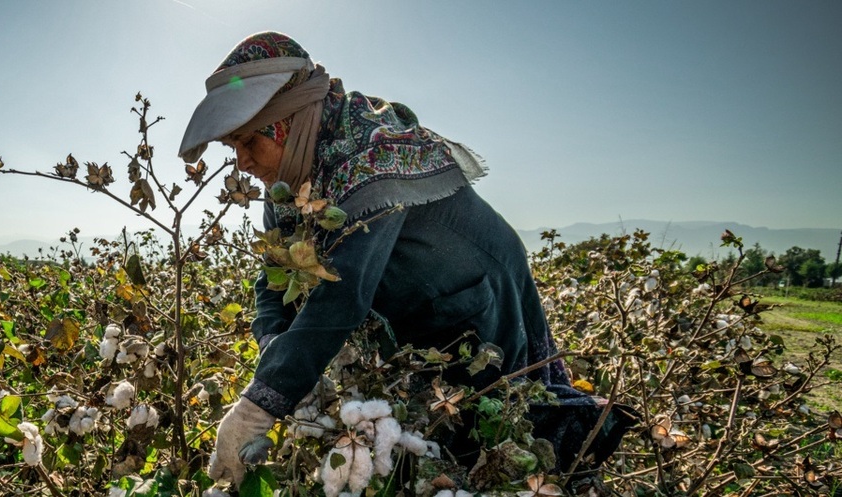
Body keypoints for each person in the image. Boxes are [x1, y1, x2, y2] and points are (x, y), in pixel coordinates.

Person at [178, 32, 632, 489]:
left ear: (287, 122)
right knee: (428, 418)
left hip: (472, 288)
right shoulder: (290, 181)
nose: (241, 162)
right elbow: (275, 275)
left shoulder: (373, 154)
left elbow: (344, 294)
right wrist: (272, 345)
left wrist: (257, 409)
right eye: (231, 148)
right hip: (406, 298)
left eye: (248, 142)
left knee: (494, 426)